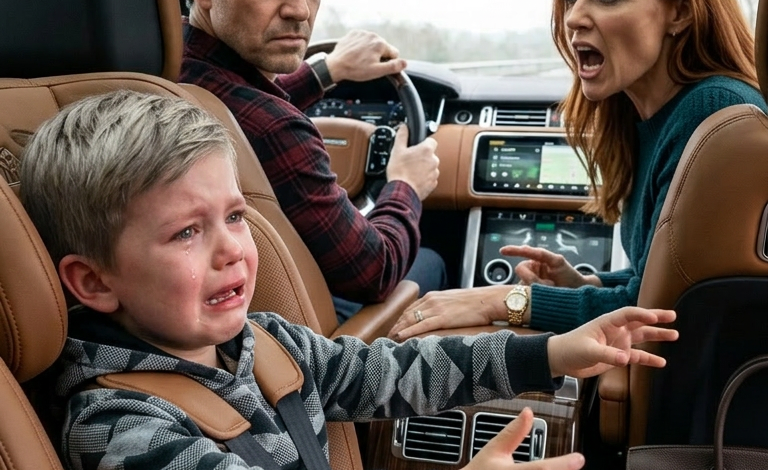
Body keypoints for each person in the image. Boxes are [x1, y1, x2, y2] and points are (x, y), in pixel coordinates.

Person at [20, 90, 679, 470]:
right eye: (186, 232)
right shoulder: (123, 428)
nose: (233, 252)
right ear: (93, 282)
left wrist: (555, 351)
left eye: (235, 217)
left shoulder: (270, 342)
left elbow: (397, 372)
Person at [387, 0, 768, 341]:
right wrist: (588, 283)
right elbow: (673, 275)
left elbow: (663, 310)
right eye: (570, 1)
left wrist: (502, 300)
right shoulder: (649, 117)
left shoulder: (712, 111)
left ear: (681, 12)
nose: (573, 17)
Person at [179, 0, 446, 323]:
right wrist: (406, 185)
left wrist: (329, 70)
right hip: (304, 339)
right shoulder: (278, 129)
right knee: (431, 261)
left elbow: (243, 100)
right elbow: (377, 272)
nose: (300, 10)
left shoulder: (169, 61)